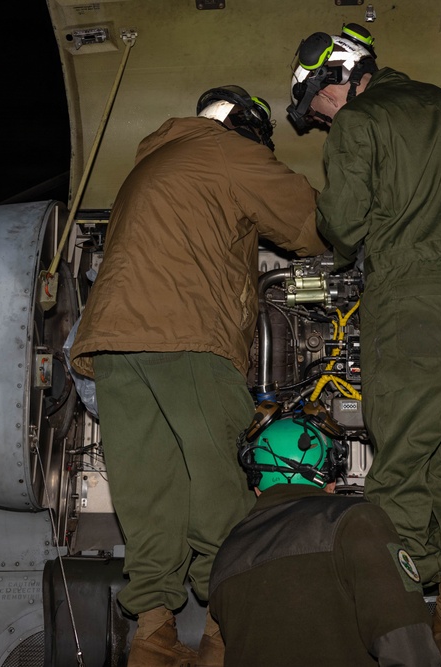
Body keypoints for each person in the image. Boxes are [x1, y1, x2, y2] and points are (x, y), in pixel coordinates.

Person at [70, 86, 327, 667]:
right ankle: (224, 633)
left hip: (114, 344)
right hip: (185, 336)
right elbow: (309, 223)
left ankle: (153, 637)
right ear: (247, 127)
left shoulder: (150, 163)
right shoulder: (225, 151)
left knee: (147, 489)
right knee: (216, 484)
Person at [286, 27, 441, 666]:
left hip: (412, 295)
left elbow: (344, 222)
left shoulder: (361, 121)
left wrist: (333, 235)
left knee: (404, 450)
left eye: (318, 108)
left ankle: (403, 615)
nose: (324, 123)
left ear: (338, 78)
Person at [209, 407, 441, 667]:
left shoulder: (226, 556)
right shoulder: (357, 521)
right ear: (330, 482)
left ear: (257, 487)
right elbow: (409, 649)